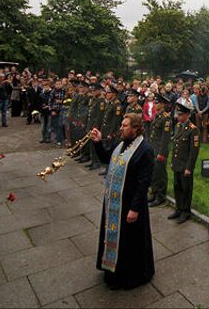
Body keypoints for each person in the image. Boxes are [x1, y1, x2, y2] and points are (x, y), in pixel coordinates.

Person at [90, 113, 155, 290]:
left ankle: (128, 276)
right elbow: (106, 158)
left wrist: (134, 209)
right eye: (121, 125)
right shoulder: (121, 145)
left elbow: (144, 182)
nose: (121, 128)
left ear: (135, 129)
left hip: (130, 205)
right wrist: (98, 143)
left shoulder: (145, 150)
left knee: (129, 242)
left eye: (125, 126)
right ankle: (112, 269)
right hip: (114, 204)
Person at [167, 101, 199, 224]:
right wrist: (172, 162)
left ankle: (186, 211)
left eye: (180, 115)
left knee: (186, 189)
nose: (178, 116)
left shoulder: (193, 129)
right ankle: (178, 208)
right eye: (177, 114)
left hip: (185, 165)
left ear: (187, 115)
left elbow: (193, 151)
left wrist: (189, 168)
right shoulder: (178, 126)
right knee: (177, 187)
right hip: (177, 164)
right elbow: (175, 146)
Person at [148, 95, 172, 207]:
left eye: (157, 103)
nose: (155, 104)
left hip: (160, 149)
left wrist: (161, 153)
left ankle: (160, 196)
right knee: (154, 172)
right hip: (153, 147)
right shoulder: (157, 115)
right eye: (155, 102)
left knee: (160, 173)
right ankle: (154, 192)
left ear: (162, 104)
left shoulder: (166, 118)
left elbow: (165, 138)